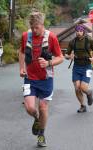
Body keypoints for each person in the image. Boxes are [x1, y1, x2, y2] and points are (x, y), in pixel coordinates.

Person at [19, 11, 63, 147]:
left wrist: (49, 63)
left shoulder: (52, 37)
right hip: (29, 78)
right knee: (30, 108)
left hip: (46, 79)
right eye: (32, 27)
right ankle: (36, 118)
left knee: (43, 107)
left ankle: (41, 135)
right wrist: (21, 67)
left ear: (42, 24)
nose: (34, 30)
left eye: (36, 27)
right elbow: (21, 52)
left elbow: (60, 57)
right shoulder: (26, 36)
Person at [65, 24, 93, 113]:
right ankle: (83, 105)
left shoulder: (89, 39)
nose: (79, 33)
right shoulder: (72, 42)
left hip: (87, 67)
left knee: (83, 87)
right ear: (75, 32)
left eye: (80, 31)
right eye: (77, 31)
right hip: (76, 67)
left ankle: (89, 93)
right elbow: (66, 54)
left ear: (83, 31)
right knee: (77, 88)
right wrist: (68, 56)